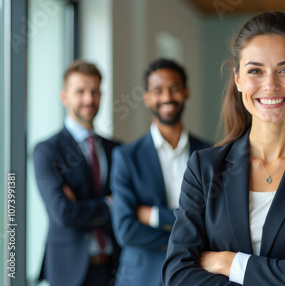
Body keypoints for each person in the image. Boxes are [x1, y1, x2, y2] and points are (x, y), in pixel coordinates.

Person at [162, 11, 285, 286]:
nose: (270, 85)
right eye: (255, 70)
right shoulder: (204, 168)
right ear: (238, 79)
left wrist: (229, 262)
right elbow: (177, 276)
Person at [110, 58, 211, 286]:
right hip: (141, 277)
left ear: (186, 92)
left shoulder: (210, 154)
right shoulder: (126, 157)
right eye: (158, 90)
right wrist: (189, 237)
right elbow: (126, 230)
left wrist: (153, 215)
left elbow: (215, 221)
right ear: (147, 97)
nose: (167, 97)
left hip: (196, 275)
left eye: (174, 89)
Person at [33, 60, 121, 286]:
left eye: (94, 91)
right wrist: (110, 204)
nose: (89, 99)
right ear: (65, 97)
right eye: (80, 92)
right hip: (69, 270)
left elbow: (129, 206)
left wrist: (81, 206)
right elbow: (63, 212)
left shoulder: (117, 149)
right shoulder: (47, 150)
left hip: (115, 266)